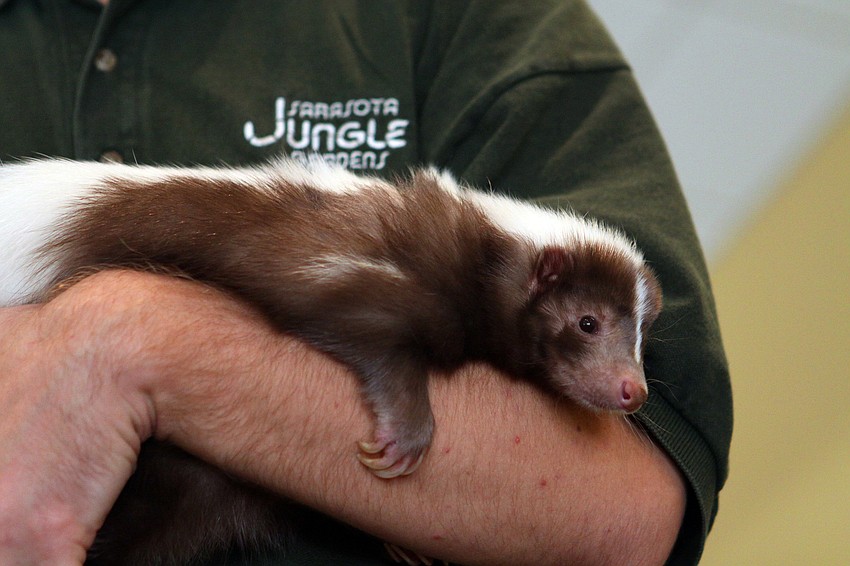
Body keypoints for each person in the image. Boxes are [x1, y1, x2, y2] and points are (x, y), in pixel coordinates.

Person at [0, 1, 732, 564]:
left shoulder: (470, 24)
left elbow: (628, 519)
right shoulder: (413, 253)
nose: (631, 380)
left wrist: (134, 338)